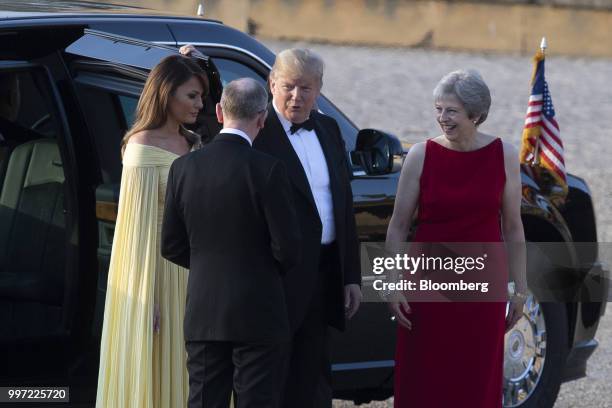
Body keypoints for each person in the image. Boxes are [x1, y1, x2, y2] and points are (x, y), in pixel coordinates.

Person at [385, 70, 527, 407]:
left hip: (482, 288)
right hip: (427, 286)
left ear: (476, 115)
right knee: (423, 379)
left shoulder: (503, 154)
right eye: (438, 109)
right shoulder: (421, 155)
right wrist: (389, 283)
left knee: (476, 378)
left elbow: (513, 227)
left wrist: (520, 290)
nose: (442, 119)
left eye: (451, 112)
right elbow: (397, 225)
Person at [161, 78, 300, 408]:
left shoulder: (183, 168)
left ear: (220, 112)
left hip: (204, 310)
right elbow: (288, 248)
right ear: (262, 118)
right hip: (258, 309)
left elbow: (171, 244)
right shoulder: (268, 170)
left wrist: (210, 268)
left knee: (204, 401)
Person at [96, 54, 208, 408]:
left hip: (199, 274)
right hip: (158, 274)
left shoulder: (195, 142)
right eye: (192, 96)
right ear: (166, 94)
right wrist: (148, 301)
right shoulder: (141, 147)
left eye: (201, 97)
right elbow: (135, 234)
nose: (200, 104)